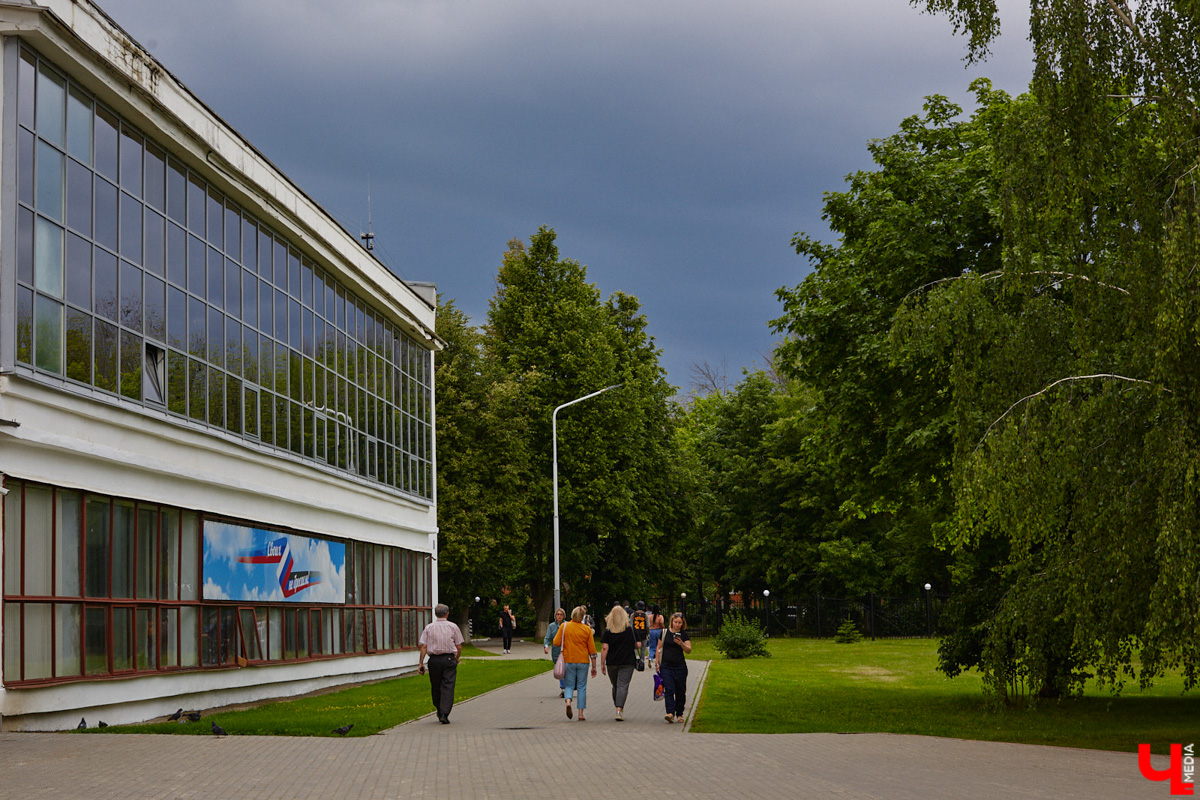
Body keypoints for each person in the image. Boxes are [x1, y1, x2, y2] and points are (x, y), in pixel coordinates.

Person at [417, 603, 464, 724]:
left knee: (436, 686)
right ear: (447, 614)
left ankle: (439, 708)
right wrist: (457, 658)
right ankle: (444, 713)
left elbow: (424, 646)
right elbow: (459, 646)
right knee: (448, 686)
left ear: (435, 614)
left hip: (434, 660)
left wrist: (421, 663)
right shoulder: (453, 627)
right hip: (449, 659)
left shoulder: (429, 627)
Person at [552, 605, 597, 721]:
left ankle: (568, 701)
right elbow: (592, 650)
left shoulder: (564, 626)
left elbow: (556, 642)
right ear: (582, 617)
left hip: (568, 660)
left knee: (569, 684)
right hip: (583, 661)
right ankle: (581, 713)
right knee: (582, 686)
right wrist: (594, 666)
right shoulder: (587, 629)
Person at [600, 604, 637, 721]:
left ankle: (618, 707)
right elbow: (637, 645)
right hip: (627, 662)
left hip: (612, 662)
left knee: (616, 685)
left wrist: (602, 663)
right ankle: (619, 709)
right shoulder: (630, 631)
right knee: (622, 685)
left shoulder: (608, 632)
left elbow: (604, 648)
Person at [656, 612, 691, 723]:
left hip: (680, 666)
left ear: (682, 624)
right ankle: (670, 713)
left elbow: (688, 650)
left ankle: (679, 714)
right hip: (666, 666)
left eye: (679, 623)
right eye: (675, 622)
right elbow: (659, 648)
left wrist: (681, 644)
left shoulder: (684, 635)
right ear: (671, 621)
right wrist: (657, 663)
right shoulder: (664, 633)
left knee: (680, 691)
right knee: (669, 689)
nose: (677, 624)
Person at [543, 607, 567, 697]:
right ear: (555, 616)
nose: (559, 616)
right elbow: (547, 637)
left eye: (561, 614)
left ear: (564, 616)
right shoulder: (552, 626)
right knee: (560, 670)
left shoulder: (567, 625)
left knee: (567, 669)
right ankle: (564, 688)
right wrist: (546, 646)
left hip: (567, 650)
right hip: (556, 651)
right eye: (558, 614)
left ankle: (566, 687)